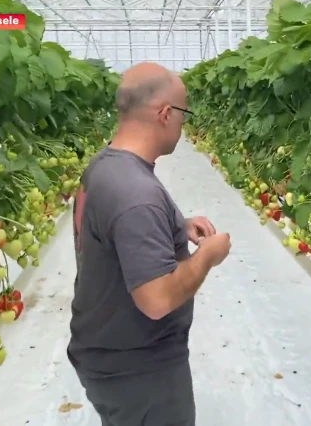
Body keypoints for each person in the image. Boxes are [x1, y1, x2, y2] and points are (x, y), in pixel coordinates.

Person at [67, 62, 232, 426]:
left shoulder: (106, 166)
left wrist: (176, 225)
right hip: (139, 371)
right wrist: (206, 256)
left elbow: (112, 229)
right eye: (183, 114)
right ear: (164, 114)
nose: (183, 125)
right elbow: (156, 300)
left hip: (109, 355)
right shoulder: (136, 195)